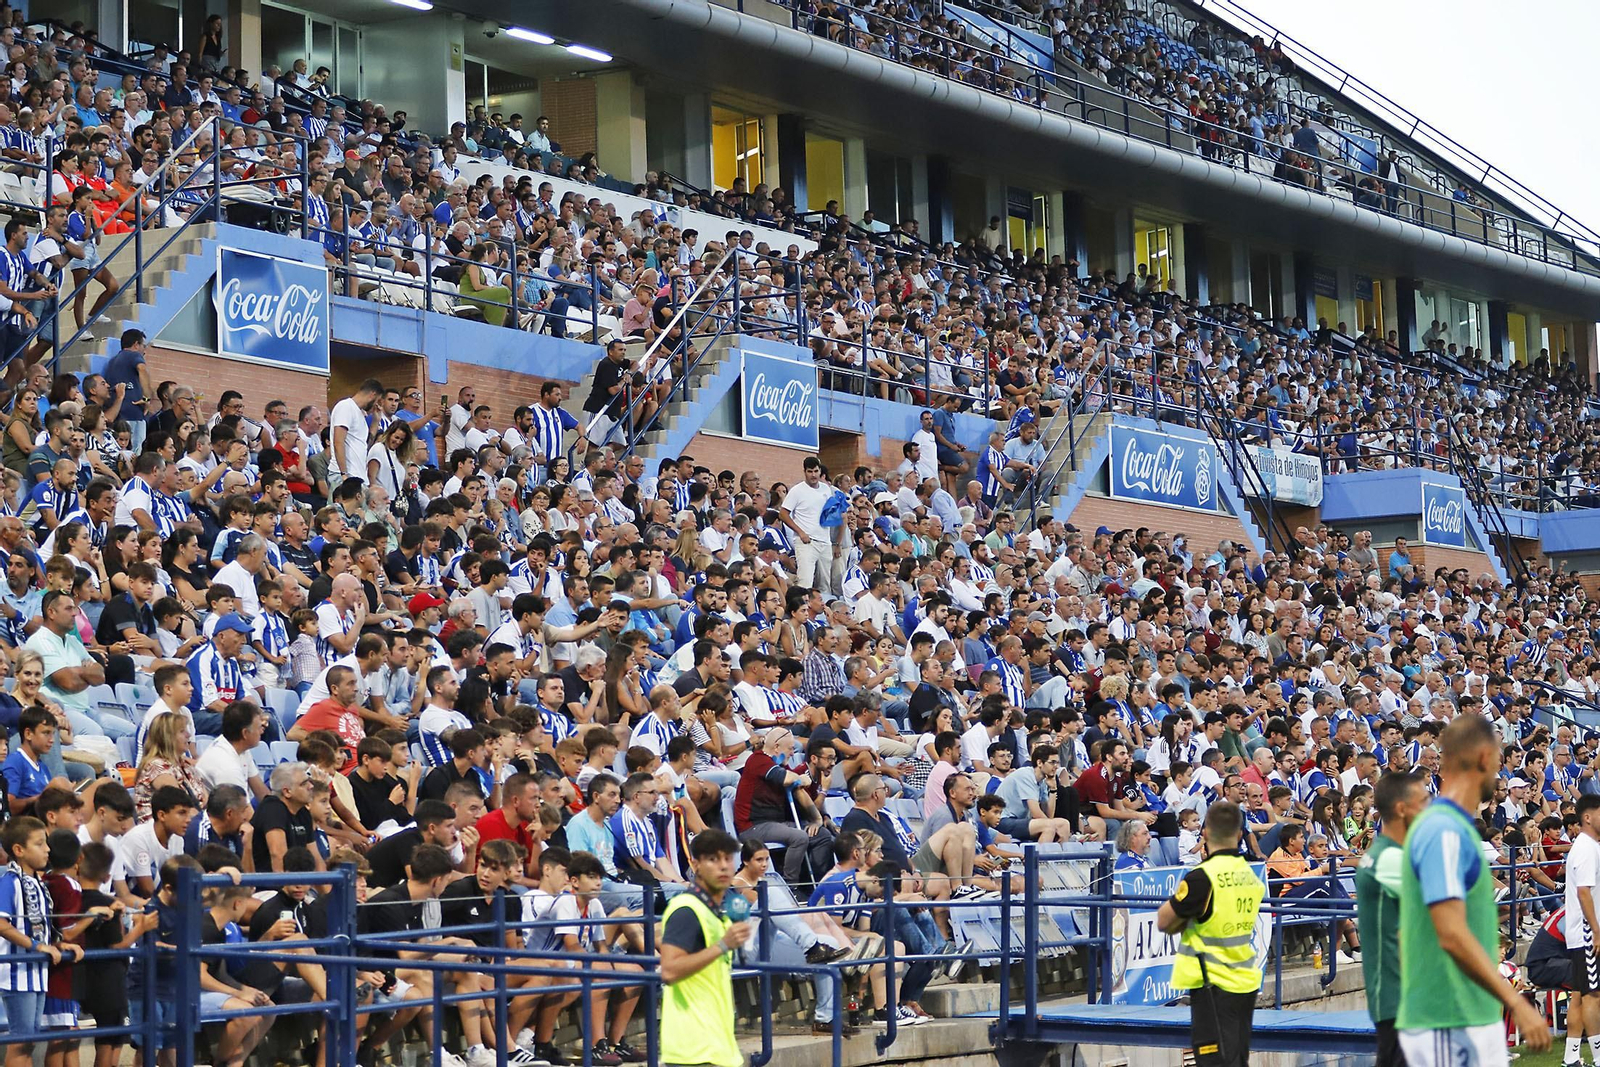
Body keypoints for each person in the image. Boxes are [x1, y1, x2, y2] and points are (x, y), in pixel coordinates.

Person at [1396, 715, 1550, 1065]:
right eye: (1497, 760)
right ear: (1483, 757)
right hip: (1449, 1018)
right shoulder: (1443, 829)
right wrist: (1514, 1003)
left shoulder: (1453, 827)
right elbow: (1449, 933)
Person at [1156, 800, 1264, 1067]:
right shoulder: (1250, 876)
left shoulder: (1202, 878)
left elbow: (1164, 921)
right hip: (1245, 982)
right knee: (1237, 1059)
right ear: (1240, 834)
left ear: (1204, 833)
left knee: (1214, 1061)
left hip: (1213, 986)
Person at [658, 829, 751, 1067]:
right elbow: (669, 970)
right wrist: (723, 945)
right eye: (713, 859)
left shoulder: (720, 913)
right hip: (693, 1052)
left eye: (728, 859)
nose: (722, 866)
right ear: (695, 864)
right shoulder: (686, 910)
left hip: (718, 1048)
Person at [1355, 771, 1425, 1067]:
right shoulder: (1391, 860)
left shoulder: (1383, 854)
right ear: (1401, 808)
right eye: (1423, 801)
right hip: (1402, 998)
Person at [1565, 793, 1600, 1067]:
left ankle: (1571, 1058)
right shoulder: (1587, 847)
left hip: (1582, 931)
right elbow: (1584, 892)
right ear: (1587, 817)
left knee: (1579, 995)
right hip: (1588, 932)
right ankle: (1599, 1057)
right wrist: (1597, 931)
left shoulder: (1587, 845)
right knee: (1593, 995)